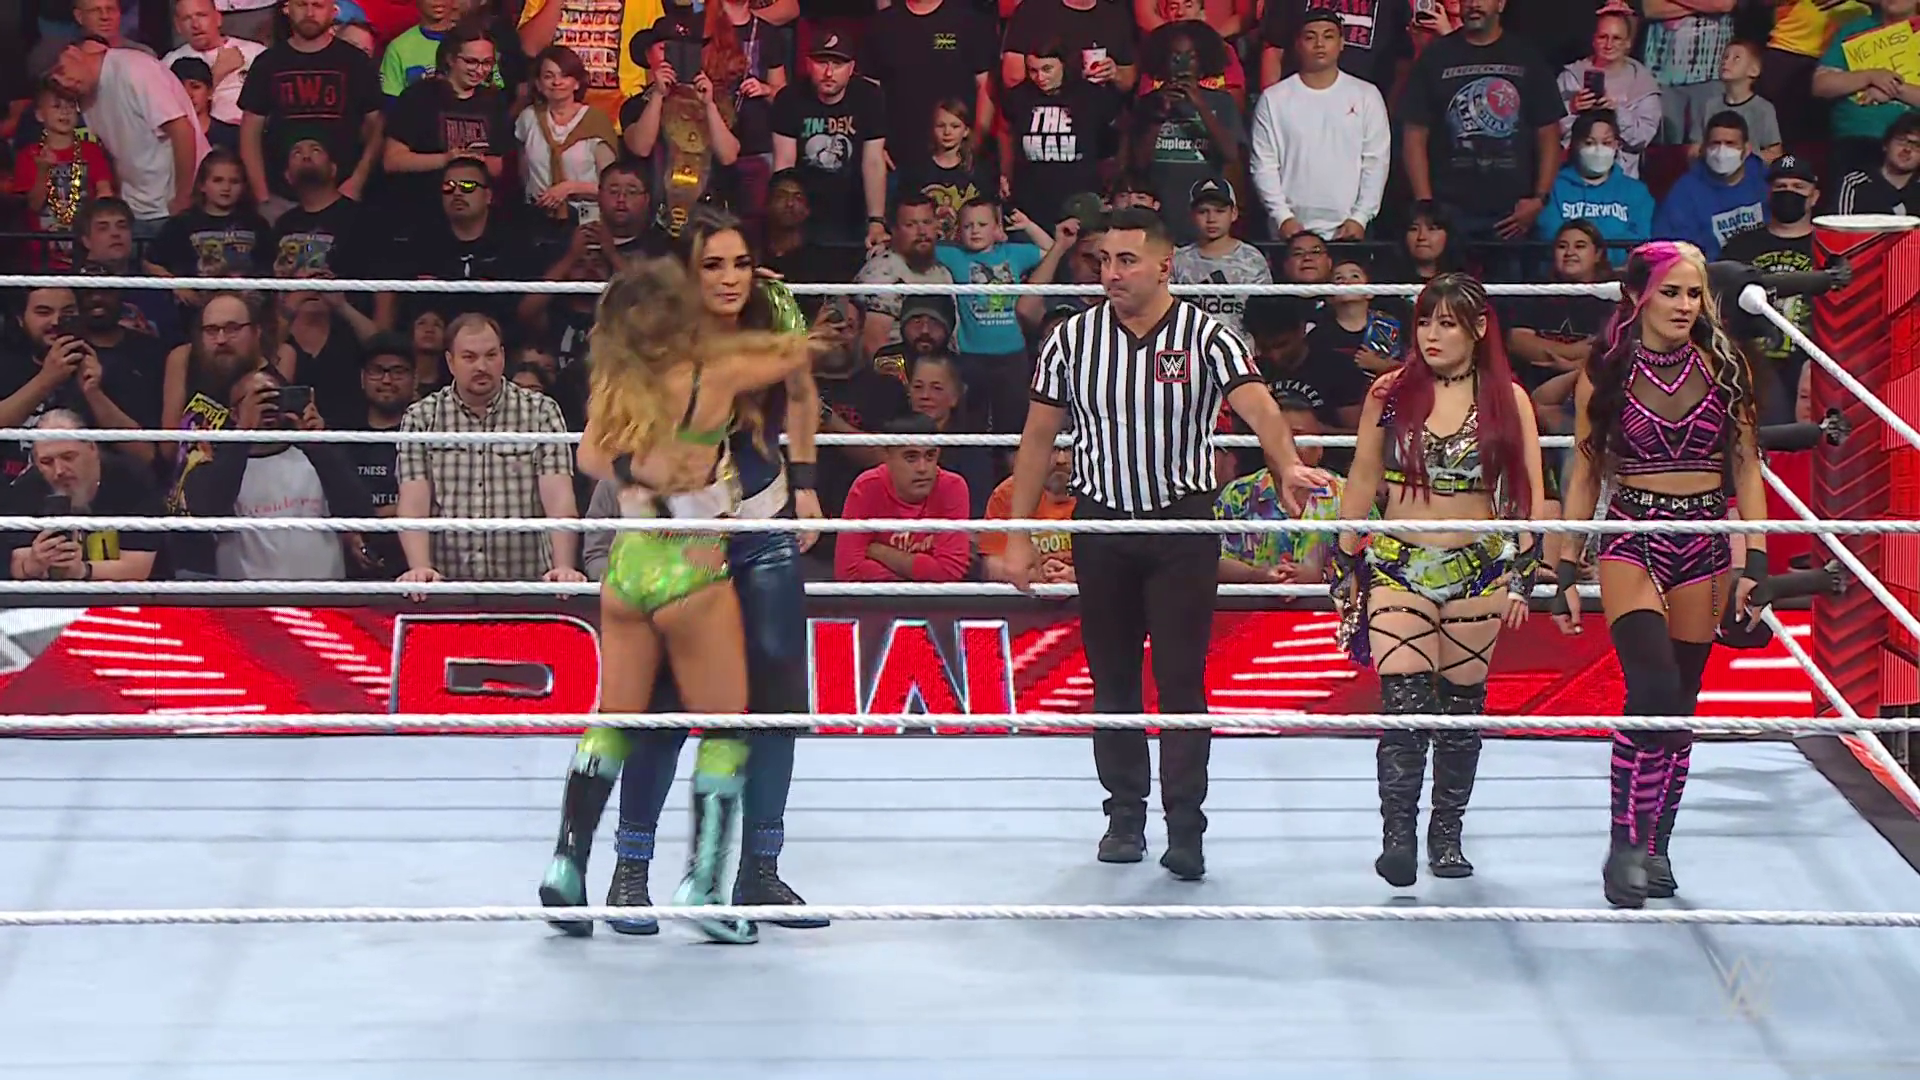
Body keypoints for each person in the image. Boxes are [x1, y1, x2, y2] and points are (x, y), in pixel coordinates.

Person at [1003, 208, 1328, 881]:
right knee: (1112, 680)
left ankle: (1185, 827)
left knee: (1181, 680)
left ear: (1163, 265)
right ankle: (1124, 817)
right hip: (1102, 525)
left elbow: (1260, 408)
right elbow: (1036, 440)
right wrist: (1018, 533)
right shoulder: (1071, 340)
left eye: (1126, 260)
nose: (1111, 274)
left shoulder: (1207, 336)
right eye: (1103, 260)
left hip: (1181, 525)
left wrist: (1286, 465)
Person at [541, 208, 826, 938]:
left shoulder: (763, 313)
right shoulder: (675, 345)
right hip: (689, 543)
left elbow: (801, 392)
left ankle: (755, 871)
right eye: (713, 266)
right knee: (664, 711)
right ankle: (634, 873)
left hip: (754, 523)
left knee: (773, 707)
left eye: (741, 263)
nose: (731, 279)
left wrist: (806, 483)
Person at [1550, 240, 1770, 910]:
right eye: (1670, 292)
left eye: (1694, 293)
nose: (1684, 305)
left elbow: (1747, 467)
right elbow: (1585, 472)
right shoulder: (1606, 370)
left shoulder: (1725, 364)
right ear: (1637, 296)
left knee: (1680, 701)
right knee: (1651, 687)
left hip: (1704, 538)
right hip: (1632, 535)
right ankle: (1624, 842)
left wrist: (1755, 559)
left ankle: (1657, 843)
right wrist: (1565, 564)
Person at [1329, 273, 1546, 888]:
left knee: (1459, 711)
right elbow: (1363, 476)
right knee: (1403, 704)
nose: (1431, 334)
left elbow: (1529, 492)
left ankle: (1446, 835)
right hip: (1399, 562)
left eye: (1446, 323)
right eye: (1424, 321)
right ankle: (1396, 837)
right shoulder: (1390, 392)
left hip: (1478, 565)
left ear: (1478, 329)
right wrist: (1343, 558)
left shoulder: (1509, 399)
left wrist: (1524, 575)